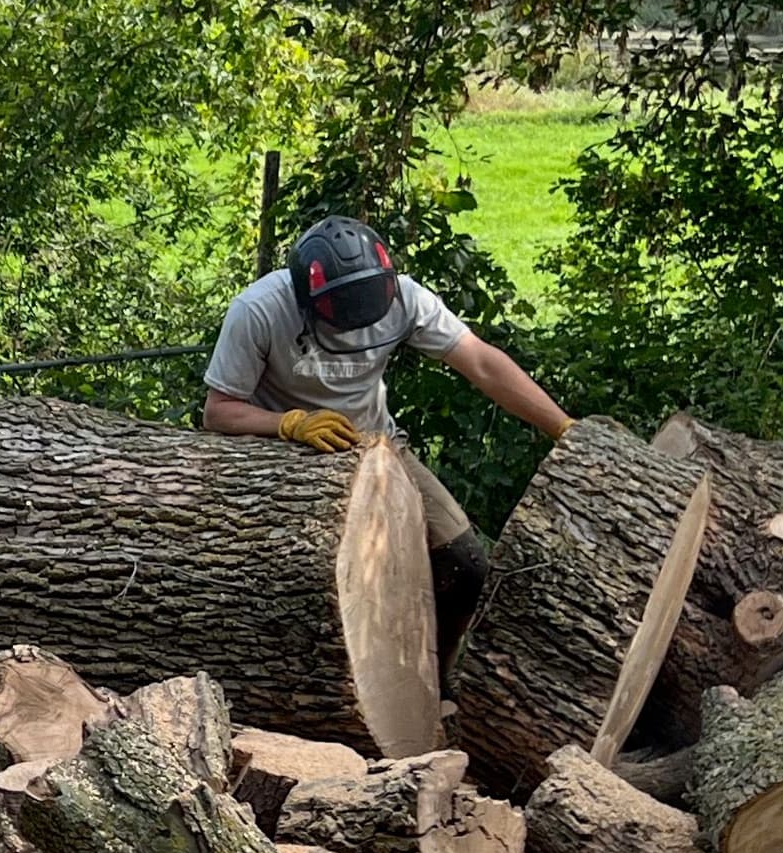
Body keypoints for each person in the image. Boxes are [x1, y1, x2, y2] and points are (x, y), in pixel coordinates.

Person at [203, 216, 574, 630]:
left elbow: (483, 363)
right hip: (283, 452)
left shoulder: (404, 298)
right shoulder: (258, 310)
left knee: (464, 568)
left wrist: (561, 428)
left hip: (377, 446)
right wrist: (290, 424)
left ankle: (437, 680)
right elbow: (219, 411)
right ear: (308, 299)